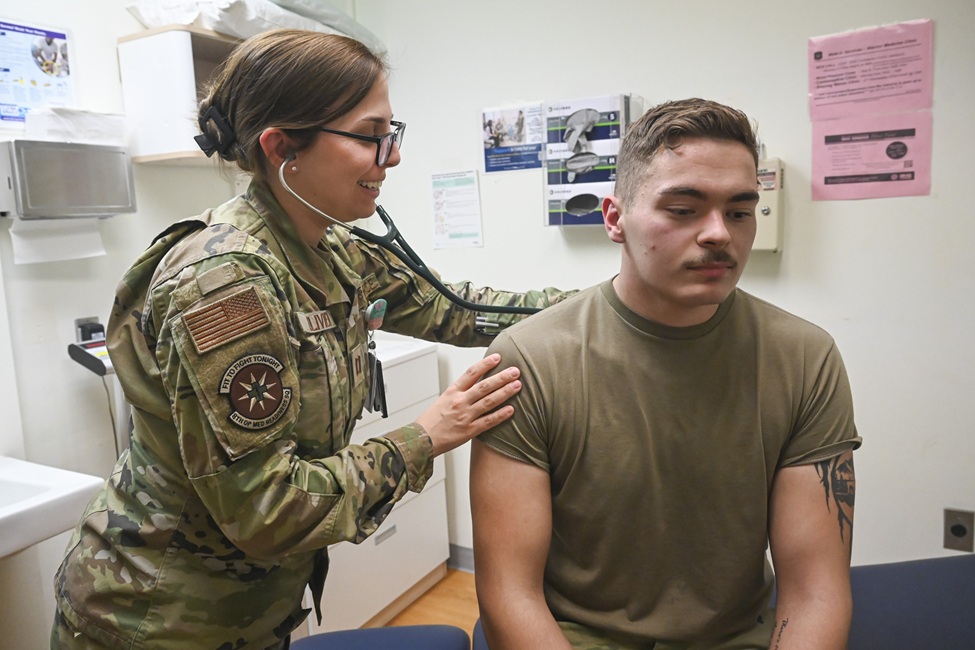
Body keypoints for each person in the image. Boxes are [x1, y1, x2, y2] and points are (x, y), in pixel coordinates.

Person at [52, 29, 572, 649]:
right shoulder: (225, 284)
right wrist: (427, 436)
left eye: (391, 132)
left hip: (250, 614)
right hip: (158, 622)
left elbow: (458, 310)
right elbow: (267, 510)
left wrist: (605, 303)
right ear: (281, 147)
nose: (393, 156)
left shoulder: (332, 250)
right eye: (370, 135)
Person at [471, 98, 861, 650]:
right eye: (683, 209)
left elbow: (815, 590)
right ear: (615, 219)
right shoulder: (530, 359)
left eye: (740, 212)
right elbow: (510, 593)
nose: (718, 234)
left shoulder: (804, 358)